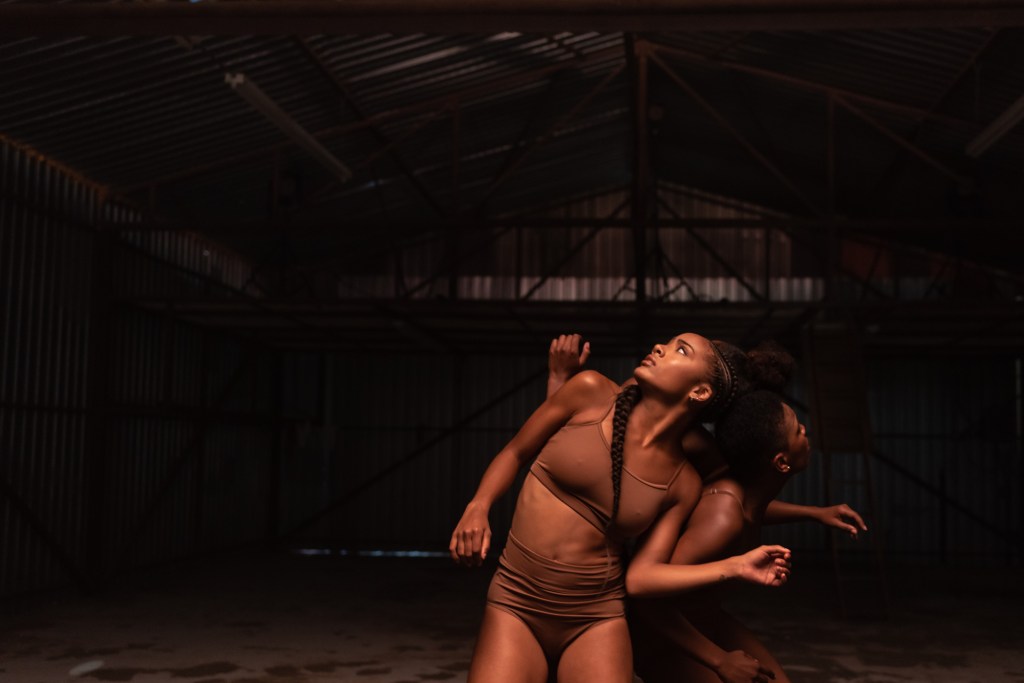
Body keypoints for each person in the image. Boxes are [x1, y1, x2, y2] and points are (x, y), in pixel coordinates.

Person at [450, 332, 793, 683]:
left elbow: (642, 578)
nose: (659, 346)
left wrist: (736, 566)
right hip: (515, 601)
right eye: (668, 342)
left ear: (699, 393)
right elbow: (515, 452)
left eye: (681, 350)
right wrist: (478, 506)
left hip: (596, 619)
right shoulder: (590, 391)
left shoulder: (682, 483)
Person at [628, 390, 868, 683]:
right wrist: (720, 661)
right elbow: (647, 600)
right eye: (797, 430)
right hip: (663, 638)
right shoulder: (723, 515)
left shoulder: (745, 501)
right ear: (781, 463)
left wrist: (815, 512)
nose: (805, 430)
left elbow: (755, 512)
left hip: (707, 620)